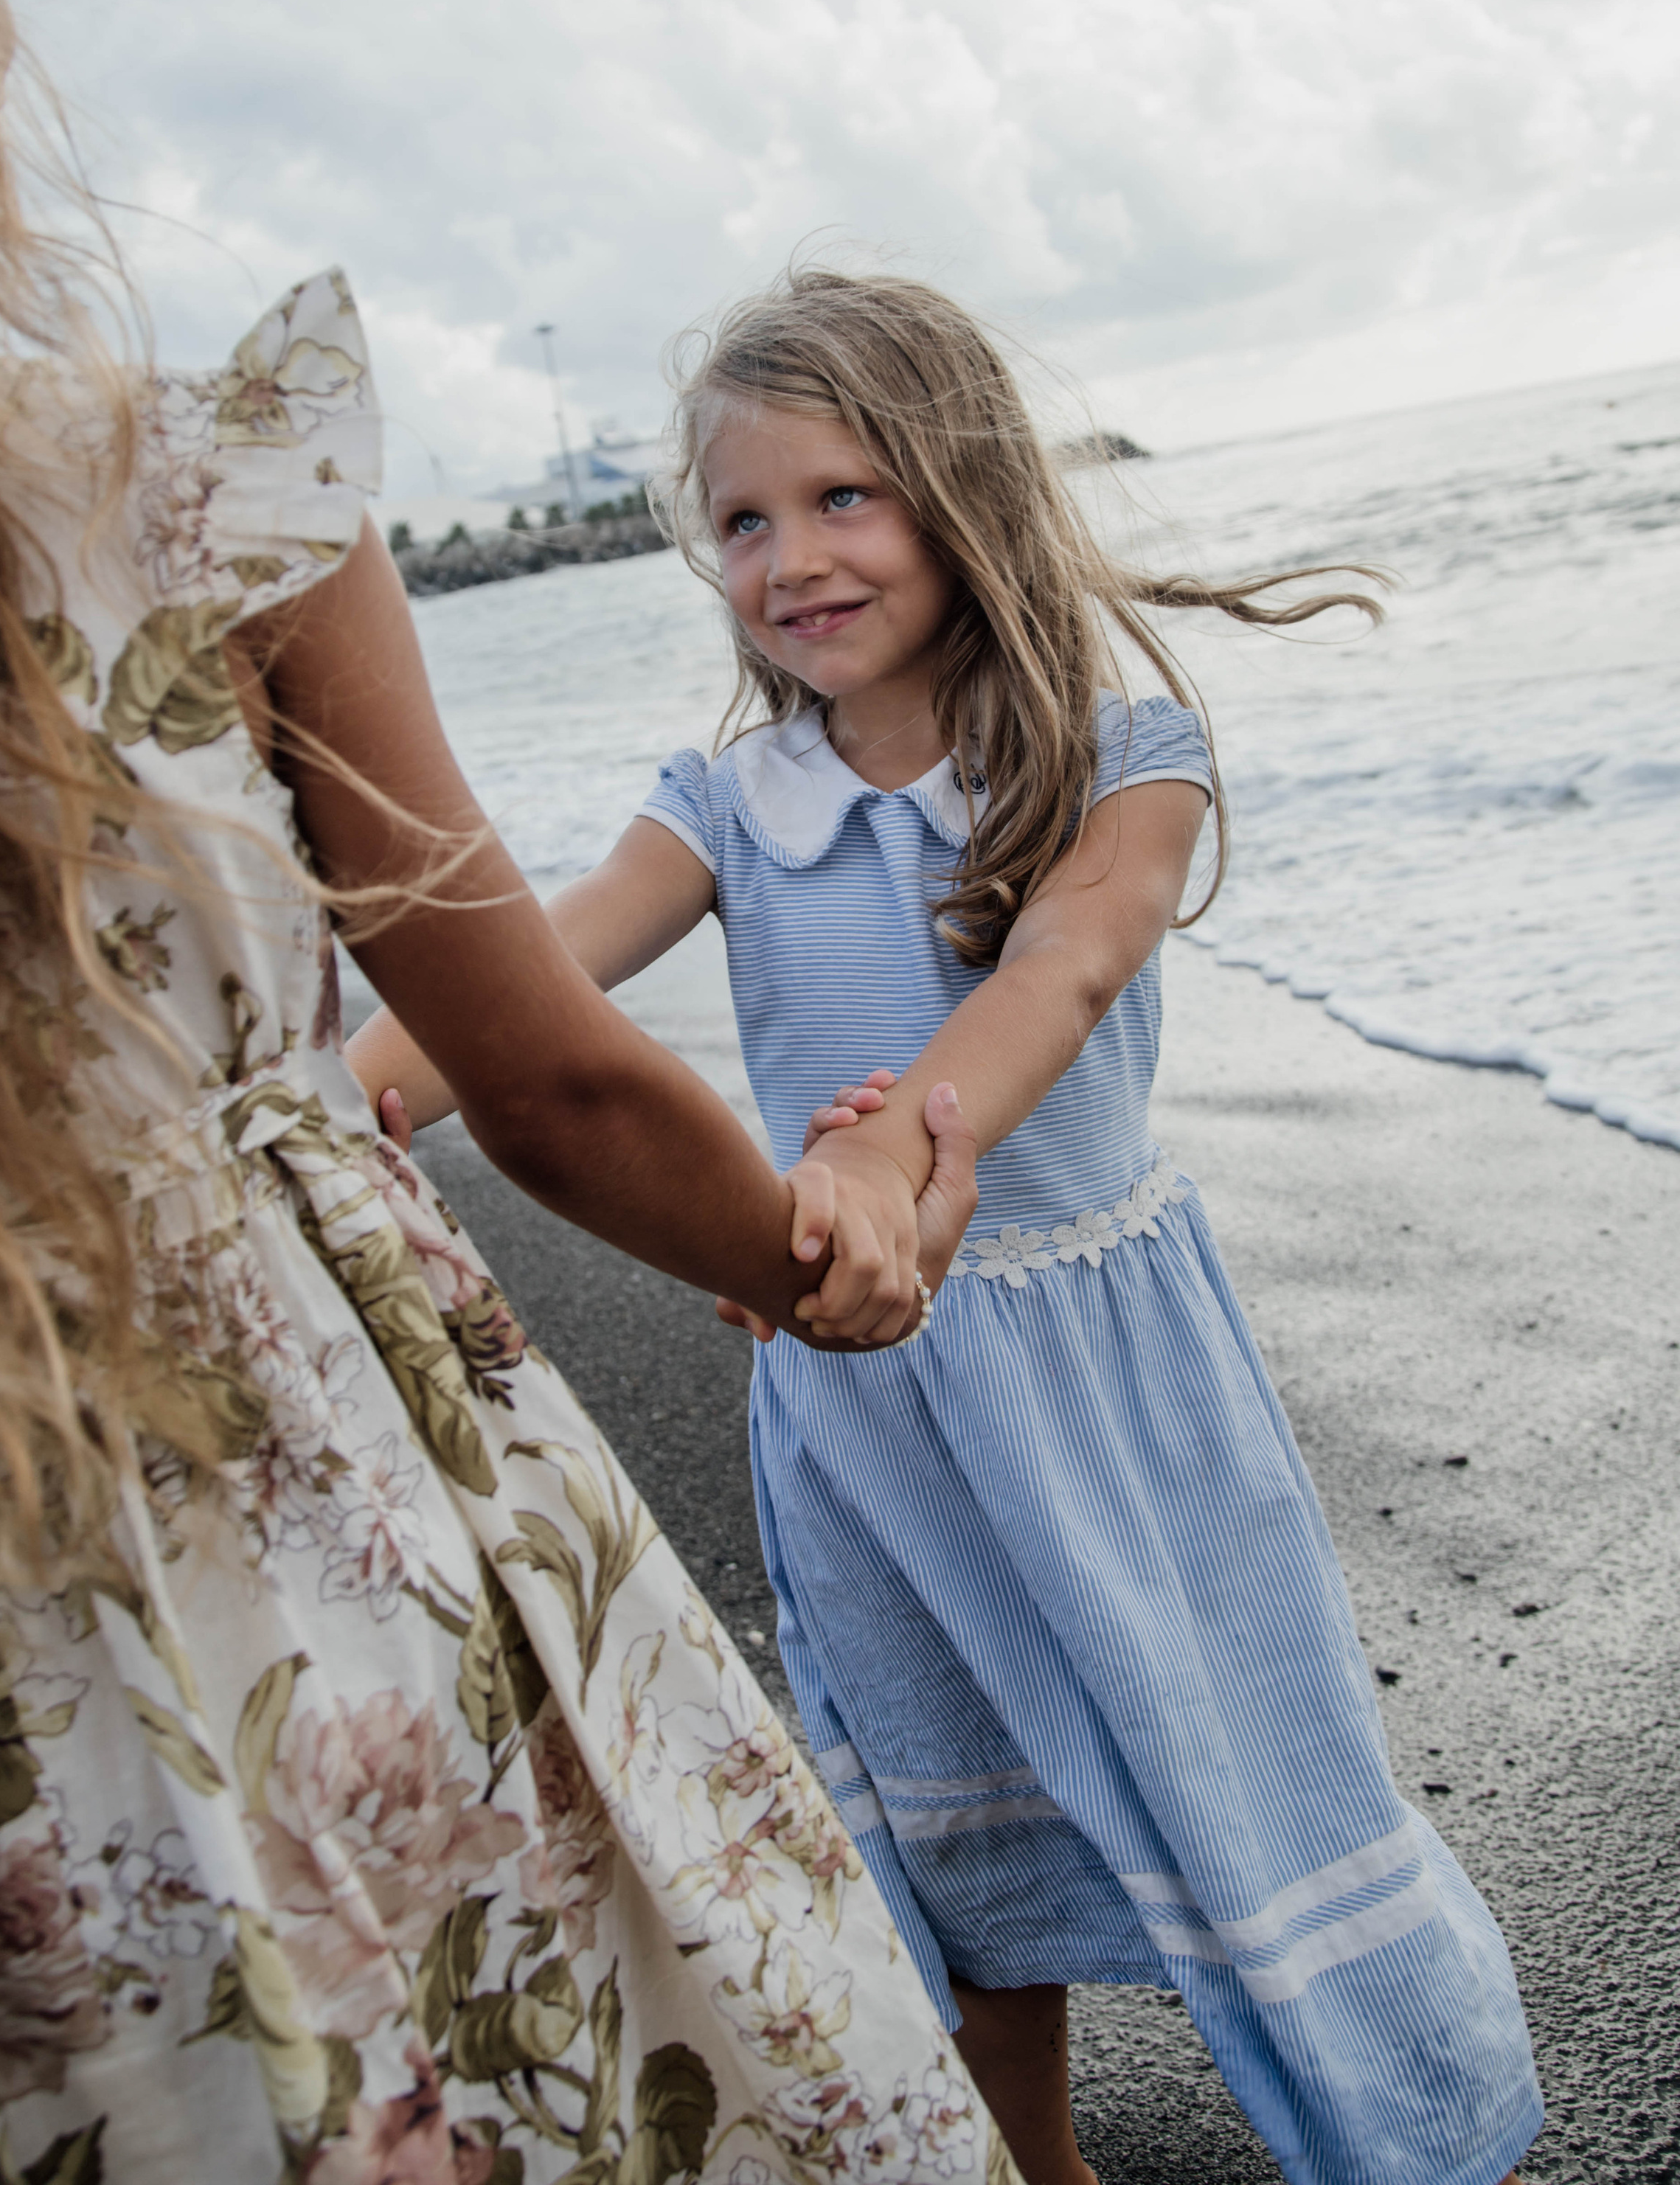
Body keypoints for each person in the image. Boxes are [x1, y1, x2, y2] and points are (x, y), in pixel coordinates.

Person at [0, 0, 1008, 2185]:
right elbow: (546, 1066)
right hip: (290, 1499)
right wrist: (807, 1259)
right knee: (599, 2032)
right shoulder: (177, 491)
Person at [353, 271, 1544, 2185]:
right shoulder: (726, 801)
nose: (790, 558)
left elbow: (1058, 980)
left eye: (843, 498)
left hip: (1100, 1373)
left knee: (1249, 1777)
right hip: (858, 1392)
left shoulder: (1120, 754)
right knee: (942, 1824)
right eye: (743, 520)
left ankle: (1427, 2140)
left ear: (956, 489)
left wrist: (898, 1160)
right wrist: (343, 1092)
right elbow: (538, 979)